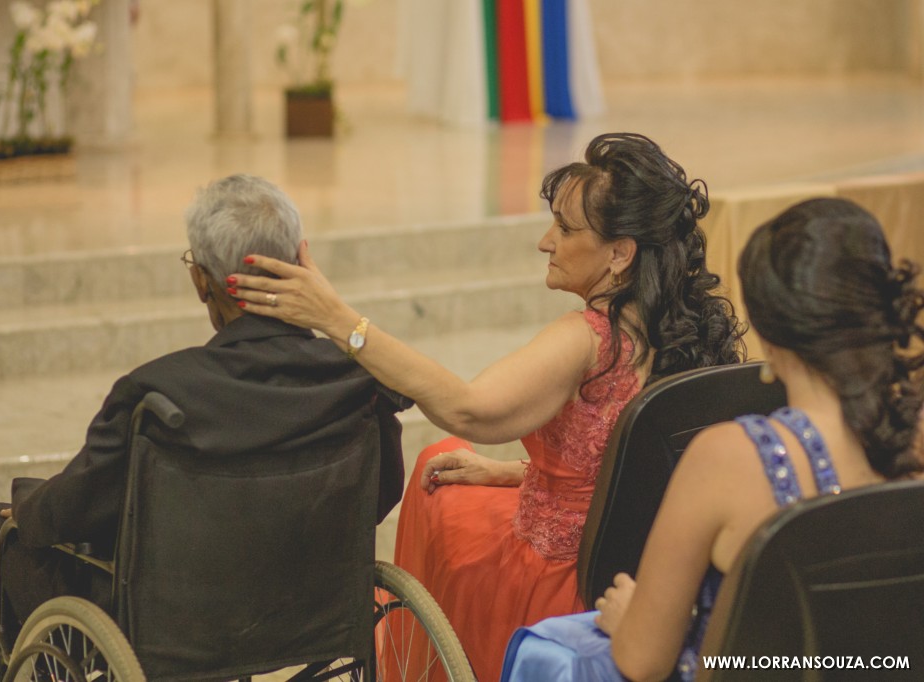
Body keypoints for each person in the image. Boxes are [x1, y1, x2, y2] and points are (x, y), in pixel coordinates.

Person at [225, 133, 745, 681]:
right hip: (641, 565)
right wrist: (511, 473)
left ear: (620, 253)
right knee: (450, 464)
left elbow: (469, 410)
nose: (546, 242)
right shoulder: (685, 334)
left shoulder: (587, 338)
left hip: (562, 583)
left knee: (435, 470)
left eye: (565, 230)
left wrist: (339, 321)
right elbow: (624, 467)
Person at [0, 175, 410, 680]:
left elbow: (79, 512)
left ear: (203, 282)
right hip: (309, 600)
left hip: (169, 618)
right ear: (301, 264)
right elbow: (381, 493)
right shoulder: (357, 379)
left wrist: (30, 512)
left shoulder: (158, 393)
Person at [499, 197, 924, 682]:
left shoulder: (730, 459)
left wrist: (626, 618)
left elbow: (644, 660)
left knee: (552, 653)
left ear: (770, 327)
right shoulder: (912, 432)